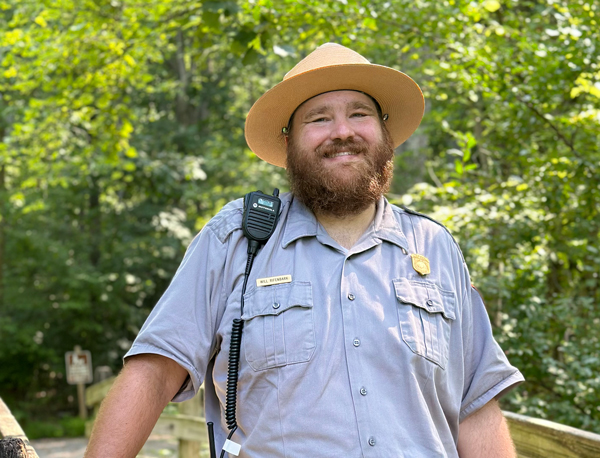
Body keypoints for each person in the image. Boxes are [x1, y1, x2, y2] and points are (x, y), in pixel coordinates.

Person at [85, 43, 524, 458]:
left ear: (384, 132)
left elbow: (475, 405)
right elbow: (154, 372)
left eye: (359, 113)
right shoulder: (236, 238)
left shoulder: (436, 247)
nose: (343, 132)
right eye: (318, 119)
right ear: (289, 140)